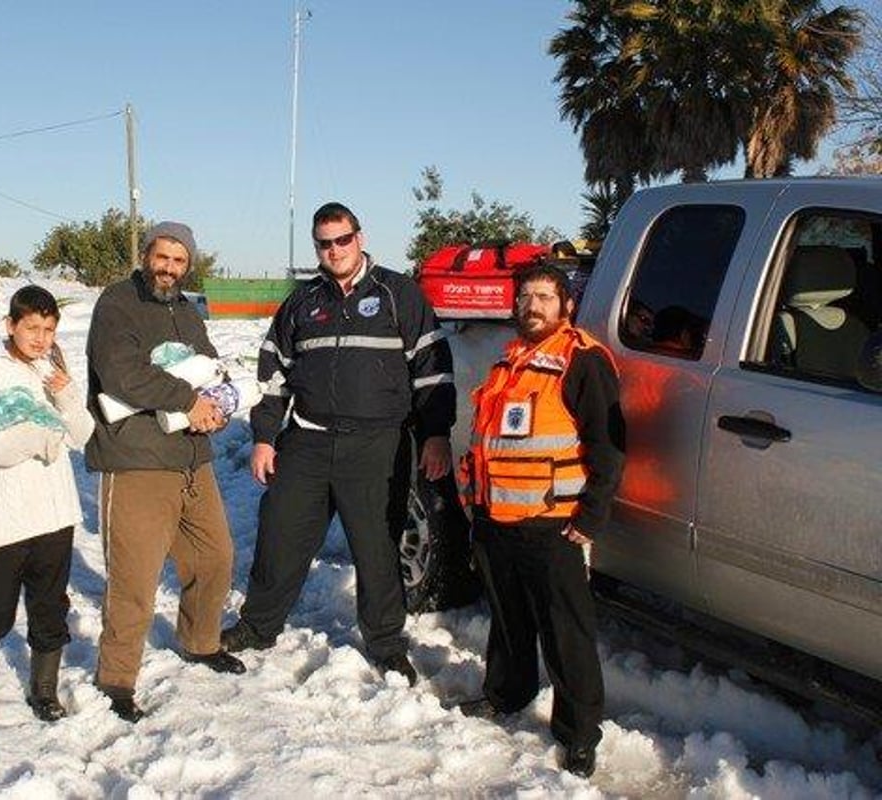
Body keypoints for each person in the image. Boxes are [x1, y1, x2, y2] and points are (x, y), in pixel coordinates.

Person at [221, 202, 455, 686]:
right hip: (306, 440)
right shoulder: (303, 303)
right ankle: (258, 625)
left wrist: (435, 433)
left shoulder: (398, 295)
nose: (334, 250)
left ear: (360, 238)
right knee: (280, 534)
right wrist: (265, 437)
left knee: (377, 548)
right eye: (324, 244)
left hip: (377, 444)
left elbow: (432, 371)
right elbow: (273, 375)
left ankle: (387, 644)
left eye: (342, 240)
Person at [456, 263, 625, 779]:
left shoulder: (584, 361)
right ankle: (506, 694)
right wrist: (475, 503)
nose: (533, 305)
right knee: (509, 623)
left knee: (565, 632)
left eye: (545, 296)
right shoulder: (508, 362)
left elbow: (608, 448)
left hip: (554, 524)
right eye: (525, 296)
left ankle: (578, 734)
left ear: (566, 305)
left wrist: (590, 519)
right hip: (497, 521)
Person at [85, 221, 245, 723]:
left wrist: (216, 402)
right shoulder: (117, 303)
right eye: (162, 257)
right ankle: (116, 678)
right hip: (137, 460)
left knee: (215, 557)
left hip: (192, 459)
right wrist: (186, 399)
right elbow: (121, 372)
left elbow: (208, 364)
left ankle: (199, 641)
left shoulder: (187, 310)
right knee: (135, 576)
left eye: (179, 260)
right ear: (146, 255)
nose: (168, 268)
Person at [0, 284, 95, 722]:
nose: (41, 338)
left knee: (50, 607)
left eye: (48, 329)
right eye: (31, 327)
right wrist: (21, 442)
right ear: (10, 325)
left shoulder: (52, 371)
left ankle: (44, 689)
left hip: (53, 513)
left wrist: (66, 395)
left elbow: (82, 437)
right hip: (3, 516)